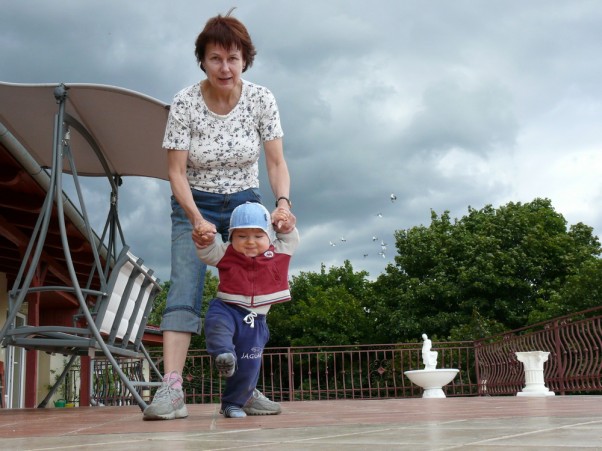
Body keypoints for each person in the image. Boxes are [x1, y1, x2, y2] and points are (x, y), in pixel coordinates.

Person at [143, 9, 295, 421]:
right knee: (185, 290)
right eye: (215, 58)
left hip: (246, 204)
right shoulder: (185, 102)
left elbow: (276, 162)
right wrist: (195, 218)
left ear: (245, 59)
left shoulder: (262, 99)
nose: (224, 67)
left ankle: (244, 389)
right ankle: (172, 390)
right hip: (194, 202)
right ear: (202, 61)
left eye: (232, 58)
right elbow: (175, 172)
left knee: (250, 294)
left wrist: (281, 205)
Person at [197, 202, 299, 418]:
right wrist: (205, 240)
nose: (250, 242)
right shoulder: (226, 252)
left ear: (270, 237)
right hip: (226, 307)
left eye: (258, 236)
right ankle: (224, 355)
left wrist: (286, 224)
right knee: (217, 327)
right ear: (232, 237)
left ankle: (232, 404)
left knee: (250, 367)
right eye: (242, 236)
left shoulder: (279, 251)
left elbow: (290, 237)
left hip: (255, 320)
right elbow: (208, 253)